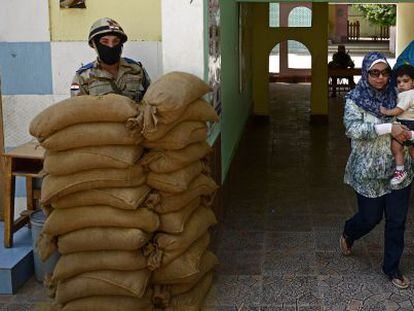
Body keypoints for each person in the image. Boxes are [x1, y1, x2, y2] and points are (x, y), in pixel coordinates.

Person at [340, 52, 414, 289]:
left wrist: (409, 136)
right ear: (365, 73)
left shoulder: (399, 94)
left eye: (385, 73)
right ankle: (350, 233)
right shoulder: (354, 98)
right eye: (375, 73)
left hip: (399, 169)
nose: (381, 78)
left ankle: (391, 267)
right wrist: (388, 128)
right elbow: (353, 128)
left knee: (397, 220)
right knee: (370, 217)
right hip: (369, 170)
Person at [70, 17, 151, 102]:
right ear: (94, 44)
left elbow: (149, 101)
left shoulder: (136, 69)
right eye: (105, 42)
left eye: (116, 41)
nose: (111, 46)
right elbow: (77, 110)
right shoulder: (82, 77)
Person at [380, 65, 414, 186]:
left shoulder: (409, 94)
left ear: (413, 82)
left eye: (406, 81)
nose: (401, 85)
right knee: (410, 151)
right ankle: (400, 171)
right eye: (399, 82)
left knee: (395, 147)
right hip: (407, 123)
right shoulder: (406, 93)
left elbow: (399, 110)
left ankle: (400, 170)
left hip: (408, 125)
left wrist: (386, 111)